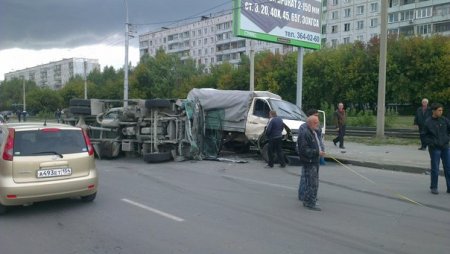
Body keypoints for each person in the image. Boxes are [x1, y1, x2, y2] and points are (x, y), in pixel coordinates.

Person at [298, 109, 325, 201]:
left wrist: (321, 150)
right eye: (315, 115)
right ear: (309, 117)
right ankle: (304, 195)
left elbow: (319, 141)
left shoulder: (317, 128)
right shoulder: (304, 128)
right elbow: (303, 145)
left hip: (315, 156)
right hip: (308, 158)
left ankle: (311, 195)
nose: (317, 118)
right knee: (306, 177)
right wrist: (316, 152)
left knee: (314, 179)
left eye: (318, 116)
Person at [423, 103, 450, 195]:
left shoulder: (444, 120)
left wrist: (447, 139)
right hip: (435, 148)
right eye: (439, 110)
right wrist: (431, 143)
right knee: (435, 168)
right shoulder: (428, 122)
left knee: (448, 167)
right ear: (433, 111)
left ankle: (449, 187)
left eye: (442, 110)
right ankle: (434, 187)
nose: (441, 112)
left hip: (445, 147)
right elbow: (424, 135)